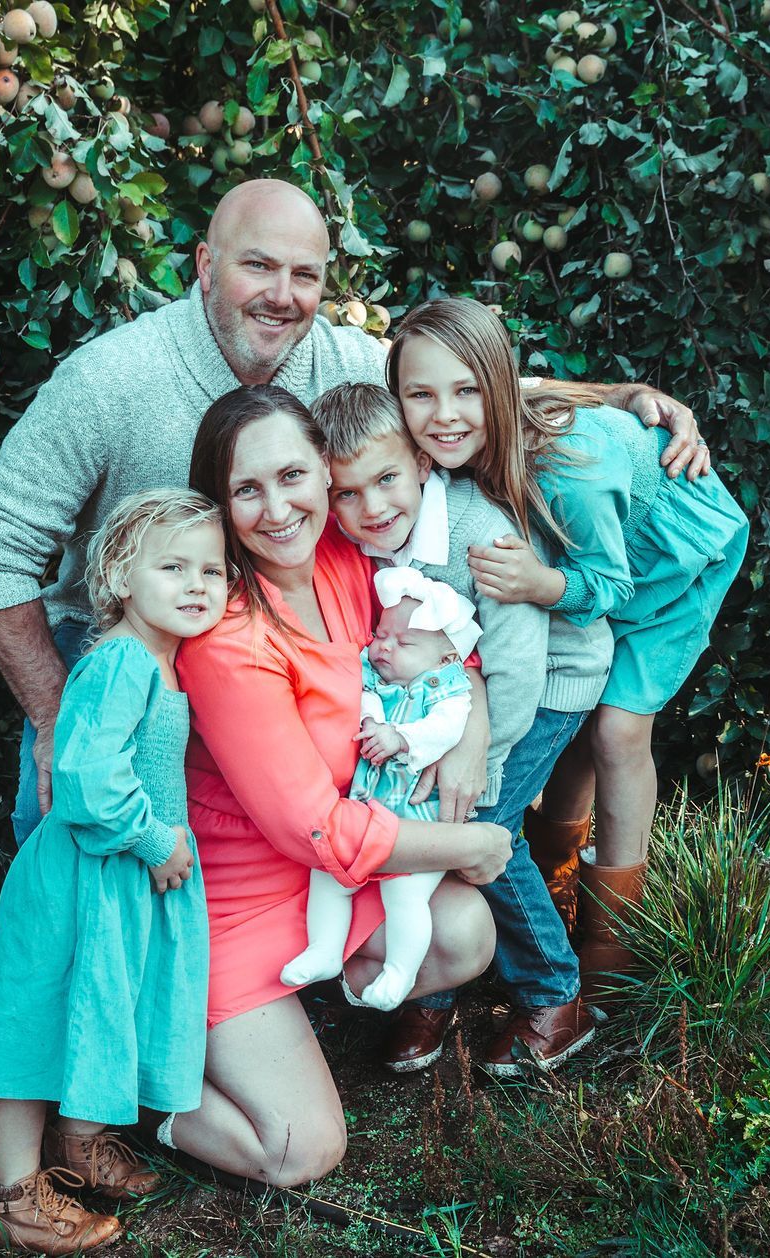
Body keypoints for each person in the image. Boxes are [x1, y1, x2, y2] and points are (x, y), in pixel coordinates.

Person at [0, 178, 711, 847]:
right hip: (126, 647)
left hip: (293, 633)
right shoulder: (110, 382)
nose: (282, 294)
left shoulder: (338, 360)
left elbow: (465, 385)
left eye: (305, 275)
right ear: (206, 266)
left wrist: (618, 399)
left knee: (284, 839)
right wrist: (54, 714)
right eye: (258, 266)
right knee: (76, 829)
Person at [155, 385, 511, 1187]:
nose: (278, 509)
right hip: (238, 901)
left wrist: (471, 732)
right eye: (247, 490)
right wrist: (472, 842)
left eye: (291, 476)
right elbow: (313, 828)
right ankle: (142, 1094)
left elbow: (447, 648)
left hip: (328, 885)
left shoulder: (349, 563)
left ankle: (301, 1008)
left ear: (324, 469)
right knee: (301, 1151)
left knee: (463, 933)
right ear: (220, 504)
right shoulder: (228, 639)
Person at [387, 299, 749, 1010]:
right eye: (420, 395)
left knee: (615, 729)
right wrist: (633, 395)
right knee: (577, 719)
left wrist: (543, 585)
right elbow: (563, 391)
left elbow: (611, 584)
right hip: (595, 552)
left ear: (493, 386)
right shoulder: (457, 422)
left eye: (465, 392)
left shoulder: (568, 470)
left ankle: (611, 945)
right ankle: (552, 881)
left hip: (673, 558)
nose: (444, 413)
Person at [315, 383, 608, 1074]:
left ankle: (555, 995)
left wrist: (473, 760)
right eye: (347, 493)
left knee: (481, 817)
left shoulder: (478, 534)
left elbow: (516, 664)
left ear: (421, 463)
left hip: (546, 683)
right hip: (446, 696)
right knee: (429, 815)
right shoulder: (368, 541)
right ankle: (434, 992)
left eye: (386, 480)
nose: (371, 508)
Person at [0, 489, 229, 1254]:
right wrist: (153, 841)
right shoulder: (121, 662)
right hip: (80, 877)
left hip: (114, 880)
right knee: (40, 1017)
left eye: (212, 570)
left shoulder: (159, 661)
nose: (196, 584)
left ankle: (80, 1143)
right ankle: (16, 1197)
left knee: (106, 1004)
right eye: (173, 567)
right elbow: (85, 777)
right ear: (117, 576)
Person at [281, 567, 483, 1012]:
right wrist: (371, 719)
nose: (385, 647)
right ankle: (324, 951)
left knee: (404, 895)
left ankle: (399, 971)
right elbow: (363, 696)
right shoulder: (376, 677)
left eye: (404, 643)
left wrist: (403, 738)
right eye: (381, 635)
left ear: (446, 658)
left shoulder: (446, 687)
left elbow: (448, 728)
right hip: (367, 814)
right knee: (329, 876)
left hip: (421, 821)